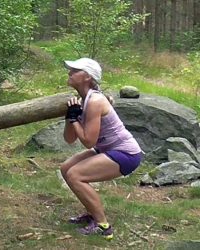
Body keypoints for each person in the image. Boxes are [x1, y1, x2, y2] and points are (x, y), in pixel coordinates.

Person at [60, 58, 142, 240]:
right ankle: (91, 214)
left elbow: (89, 141)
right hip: (108, 149)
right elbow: (70, 139)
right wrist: (70, 117)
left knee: (76, 175)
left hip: (126, 153)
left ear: (88, 77)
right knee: (66, 169)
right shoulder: (82, 100)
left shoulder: (95, 101)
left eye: (75, 71)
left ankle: (103, 225)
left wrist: (75, 120)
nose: (69, 73)